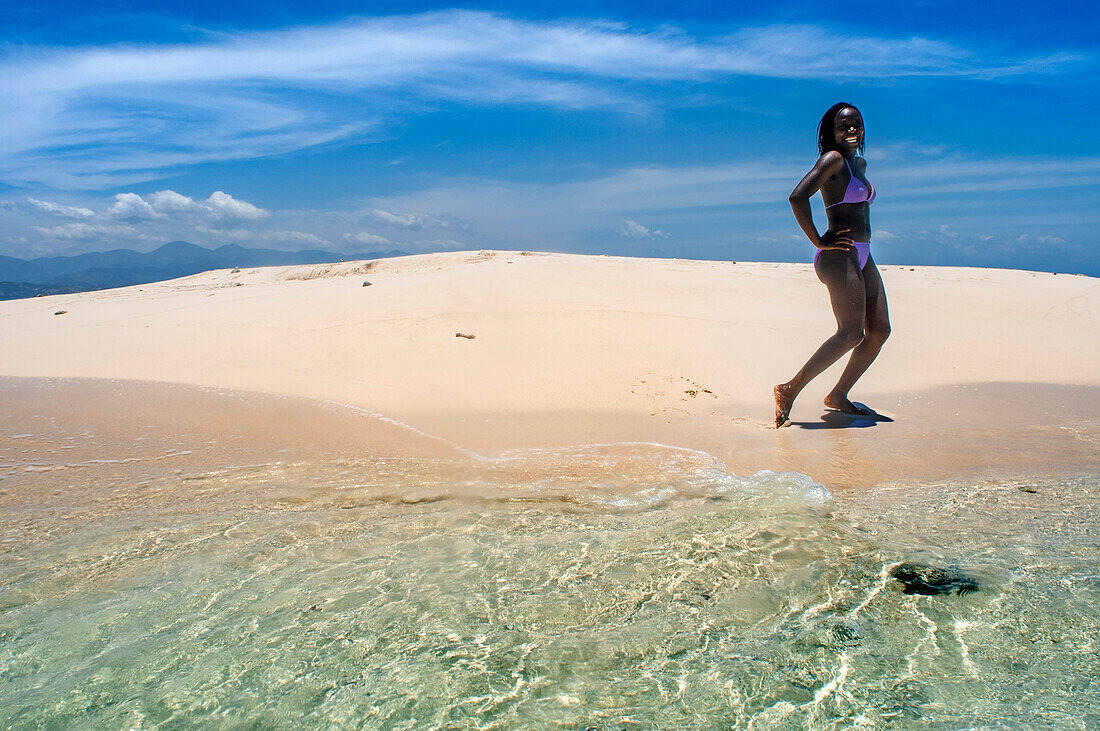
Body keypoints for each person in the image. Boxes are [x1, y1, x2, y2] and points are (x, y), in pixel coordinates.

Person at [773, 102, 890, 428]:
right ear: (831, 133)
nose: (852, 131)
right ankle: (788, 390)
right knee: (851, 333)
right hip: (839, 256)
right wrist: (818, 241)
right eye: (844, 126)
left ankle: (838, 395)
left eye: (857, 125)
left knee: (879, 330)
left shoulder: (858, 163)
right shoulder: (833, 160)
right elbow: (798, 196)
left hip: (863, 253)